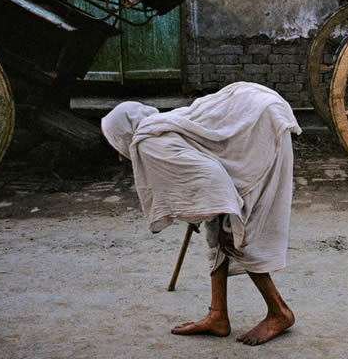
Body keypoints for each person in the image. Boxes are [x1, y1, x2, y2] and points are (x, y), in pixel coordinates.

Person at [101, 81, 301, 345]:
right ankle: (218, 316)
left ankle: (279, 312)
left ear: (123, 134)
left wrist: (220, 211)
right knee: (217, 230)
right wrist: (202, 207)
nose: (118, 155)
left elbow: (212, 178)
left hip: (261, 126)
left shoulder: (147, 142)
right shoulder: (161, 125)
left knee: (238, 235)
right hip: (258, 110)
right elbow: (200, 168)